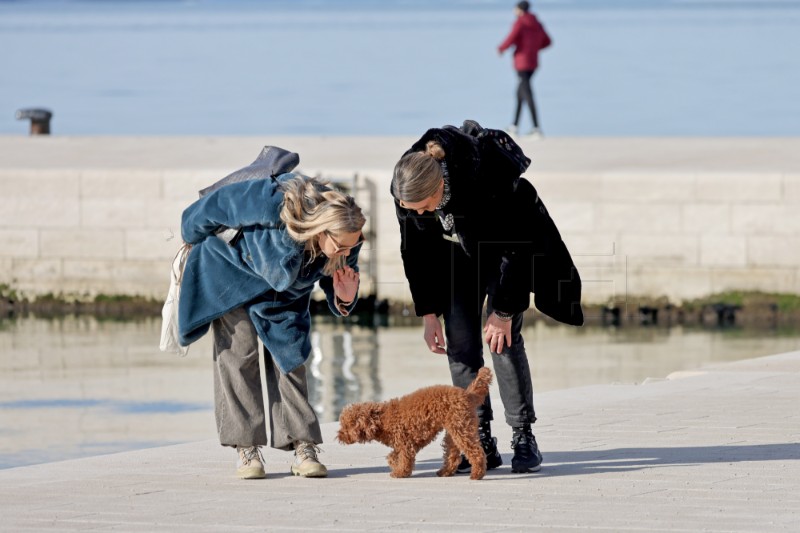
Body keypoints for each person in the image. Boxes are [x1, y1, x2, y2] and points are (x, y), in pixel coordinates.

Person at [391, 120, 583, 474]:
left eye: (423, 206)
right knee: (460, 345)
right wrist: (429, 312)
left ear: (441, 185)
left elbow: (517, 247)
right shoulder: (407, 186)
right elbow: (414, 253)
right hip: (455, 261)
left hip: (505, 255)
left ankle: (523, 434)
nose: (417, 214)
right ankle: (479, 439)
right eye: (410, 208)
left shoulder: (484, 176)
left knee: (502, 341)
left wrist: (505, 310)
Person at [178, 170, 365, 480]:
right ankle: (246, 449)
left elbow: (342, 285)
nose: (347, 253)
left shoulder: (348, 238)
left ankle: (303, 445)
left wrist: (346, 295)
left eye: (353, 246)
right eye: (341, 247)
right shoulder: (272, 201)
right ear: (321, 230)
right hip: (230, 275)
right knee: (239, 356)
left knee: (291, 358)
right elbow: (217, 204)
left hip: (284, 294)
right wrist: (190, 234)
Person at [498, 1, 552, 137]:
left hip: (522, 63)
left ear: (519, 10)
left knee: (527, 94)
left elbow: (511, 37)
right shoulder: (537, 23)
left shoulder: (520, 22)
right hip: (533, 63)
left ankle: (536, 128)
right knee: (520, 93)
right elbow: (547, 41)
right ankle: (514, 126)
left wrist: (501, 48)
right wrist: (533, 49)